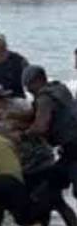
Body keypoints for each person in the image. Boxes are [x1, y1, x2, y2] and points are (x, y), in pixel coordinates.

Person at [0, 81, 77, 226]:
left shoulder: (20, 105)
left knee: (56, 200)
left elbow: (37, 122)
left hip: (41, 160)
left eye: (1, 97)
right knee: (13, 203)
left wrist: (13, 124)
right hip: (21, 165)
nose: (2, 100)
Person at [21, 65, 77, 200]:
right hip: (69, 150)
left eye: (29, 86)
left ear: (38, 81)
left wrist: (23, 135)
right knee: (52, 185)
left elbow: (40, 127)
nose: (29, 90)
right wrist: (12, 114)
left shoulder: (44, 98)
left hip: (73, 150)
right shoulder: (60, 89)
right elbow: (35, 113)